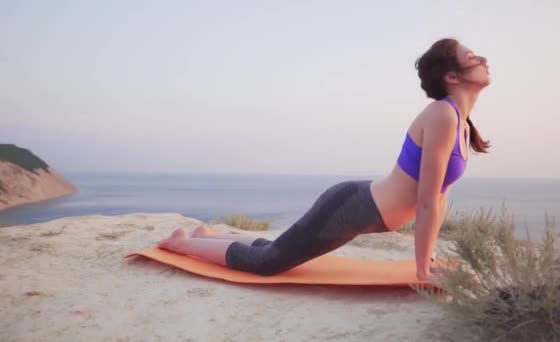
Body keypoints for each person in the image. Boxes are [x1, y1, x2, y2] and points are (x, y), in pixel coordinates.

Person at [158, 38, 491, 283]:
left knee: (278, 248)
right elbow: (426, 200)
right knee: (267, 263)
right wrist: (422, 272)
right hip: (351, 208)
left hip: (360, 208)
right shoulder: (443, 116)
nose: (483, 58)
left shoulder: (460, 124)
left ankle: (206, 235)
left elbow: (440, 196)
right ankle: (184, 245)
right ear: (451, 76)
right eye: (473, 56)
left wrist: (429, 260)